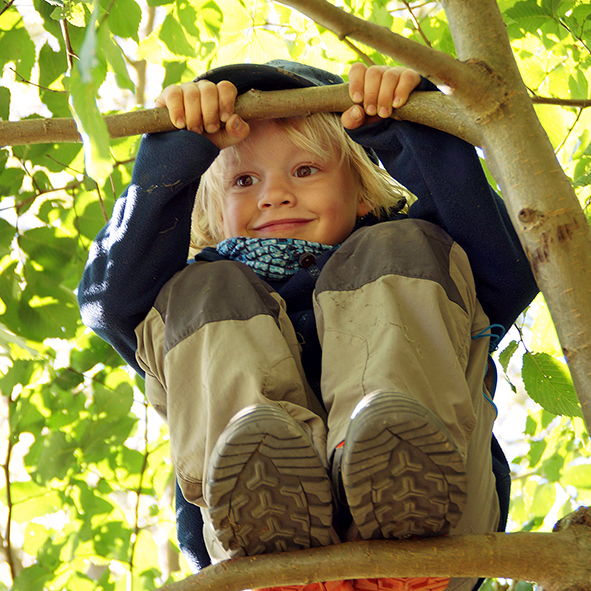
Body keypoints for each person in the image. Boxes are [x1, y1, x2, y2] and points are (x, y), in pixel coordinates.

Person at [78, 60, 538, 591]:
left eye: (305, 170)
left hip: (443, 535)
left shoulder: (422, 265)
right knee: (201, 290)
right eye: (245, 180)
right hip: (256, 560)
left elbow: (509, 266)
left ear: (363, 190)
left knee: (400, 243)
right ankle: (270, 520)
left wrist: (401, 123)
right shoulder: (190, 298)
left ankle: (400, 496)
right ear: (210, 214)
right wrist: (176, 152)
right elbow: (107, 302)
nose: (275, 194)